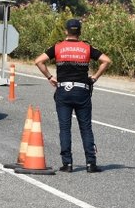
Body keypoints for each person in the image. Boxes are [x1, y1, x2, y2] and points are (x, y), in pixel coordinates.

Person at [34, 19, 111, 173]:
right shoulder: (86, 48)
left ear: (66, 31)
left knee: (65, 128)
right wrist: (94, 77)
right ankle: (91, 164)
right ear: (80, 32)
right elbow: (106, 60)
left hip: (63, 91)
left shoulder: (57, 47)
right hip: (82, 91)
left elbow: (39, 61)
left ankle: (67, 164)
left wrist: (50, 77)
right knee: (86, 128)